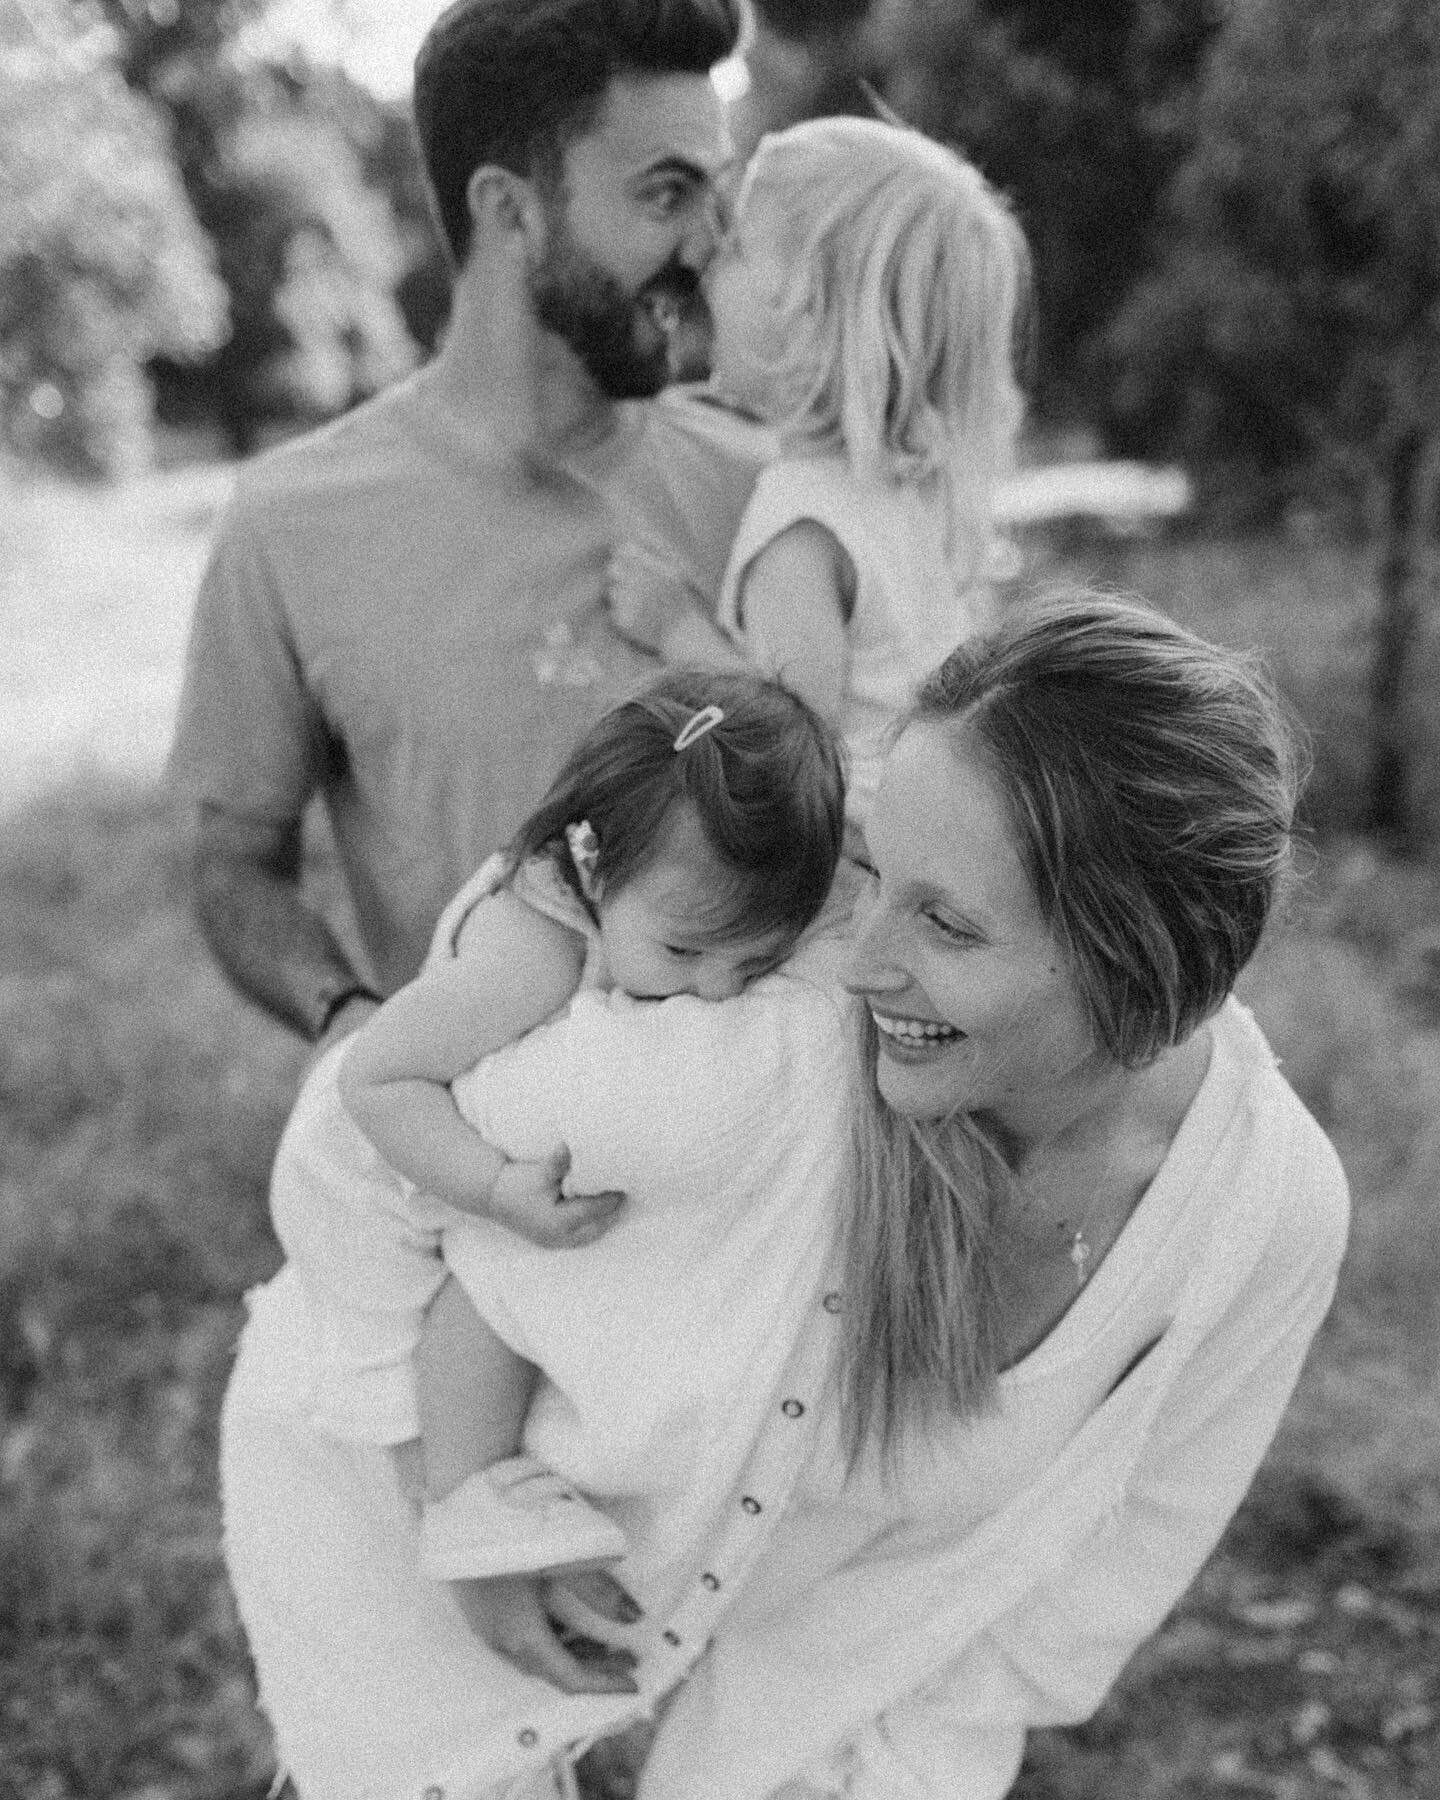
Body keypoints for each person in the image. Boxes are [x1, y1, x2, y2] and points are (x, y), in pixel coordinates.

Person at [220, 593, 1348, 1800]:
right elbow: (348, 1154)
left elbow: (1079, 1592)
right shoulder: (764, 1038)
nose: (857, 962)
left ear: (1146, 977)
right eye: (878, 875)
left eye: (947, 922)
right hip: (424, 1657)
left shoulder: (1262, 1215)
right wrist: (447, 1499)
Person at [167, 0, 759, 1050]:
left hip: (766, 1175)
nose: (711, 246)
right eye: (669, 193)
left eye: (717, 195)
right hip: (479, 1186)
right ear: (511, 209)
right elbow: (233, 864)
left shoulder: (770, 496)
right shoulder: (289, 524)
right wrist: (352, 1028)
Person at [266, 670, 845, 1598]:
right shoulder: (529, 955)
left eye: (759, 959)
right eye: (686, 953)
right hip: (407, 1152)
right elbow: (378, 1078)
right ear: (592, 866)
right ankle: (462, 1488)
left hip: (469, 1125)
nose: (718, 991)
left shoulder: (667, 894)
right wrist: (491, 1186)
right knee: (480, 1288)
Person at [608, 114, 1028, 829]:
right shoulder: (911, 495)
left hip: (848, 868)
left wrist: (674, 625)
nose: (708, 261)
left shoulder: (801, 518)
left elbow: (788, 741)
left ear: (812, 313)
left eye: (738, 247)